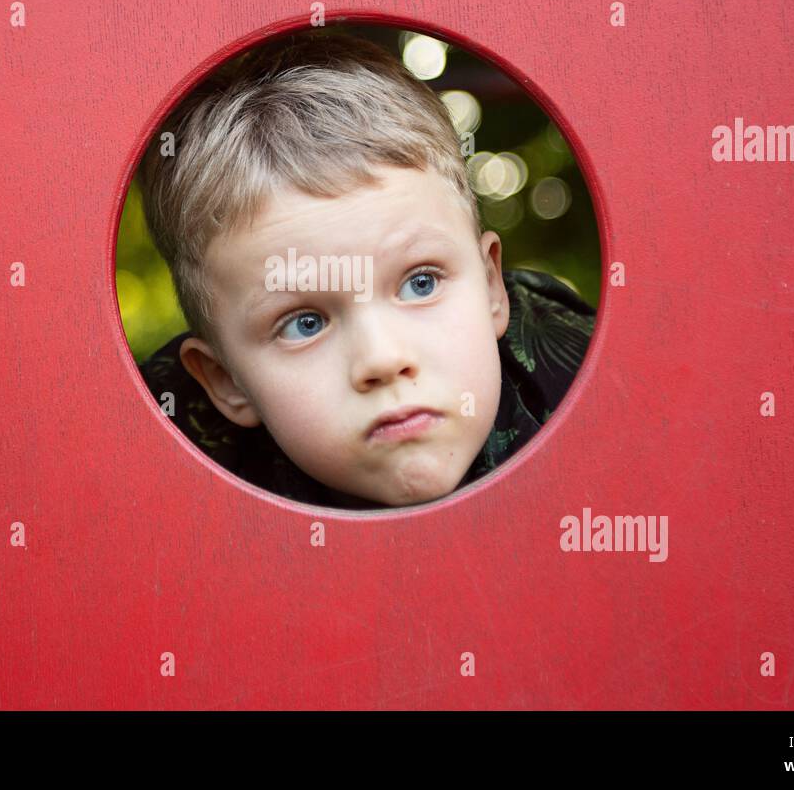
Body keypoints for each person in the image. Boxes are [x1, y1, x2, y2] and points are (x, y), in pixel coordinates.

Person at [135, 30, 595, 509]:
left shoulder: (576, 375)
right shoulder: (168, 480)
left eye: (421, 283)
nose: (381, 359)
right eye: (304, 323)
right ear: (226, 380)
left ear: (491, 288)